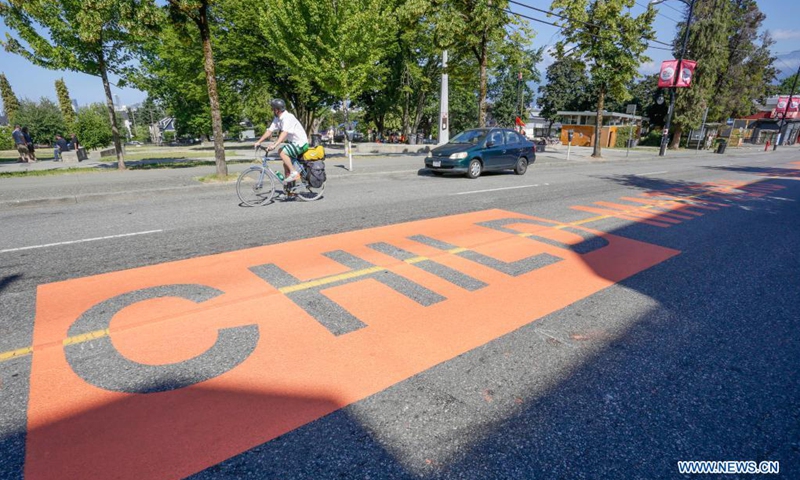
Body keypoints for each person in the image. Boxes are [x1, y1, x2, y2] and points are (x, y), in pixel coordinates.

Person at [254, 99, 309, 184]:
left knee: (281, 152)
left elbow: (284, 133)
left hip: (301, 143)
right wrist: (259, 141)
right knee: (286, 164)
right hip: (294, 143)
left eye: (272, 108)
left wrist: (275, 145)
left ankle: (294, 173)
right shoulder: (278, 118)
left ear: (277, 109)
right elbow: (269, 131)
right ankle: (290, 190)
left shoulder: (288, 117)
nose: (272, 110)